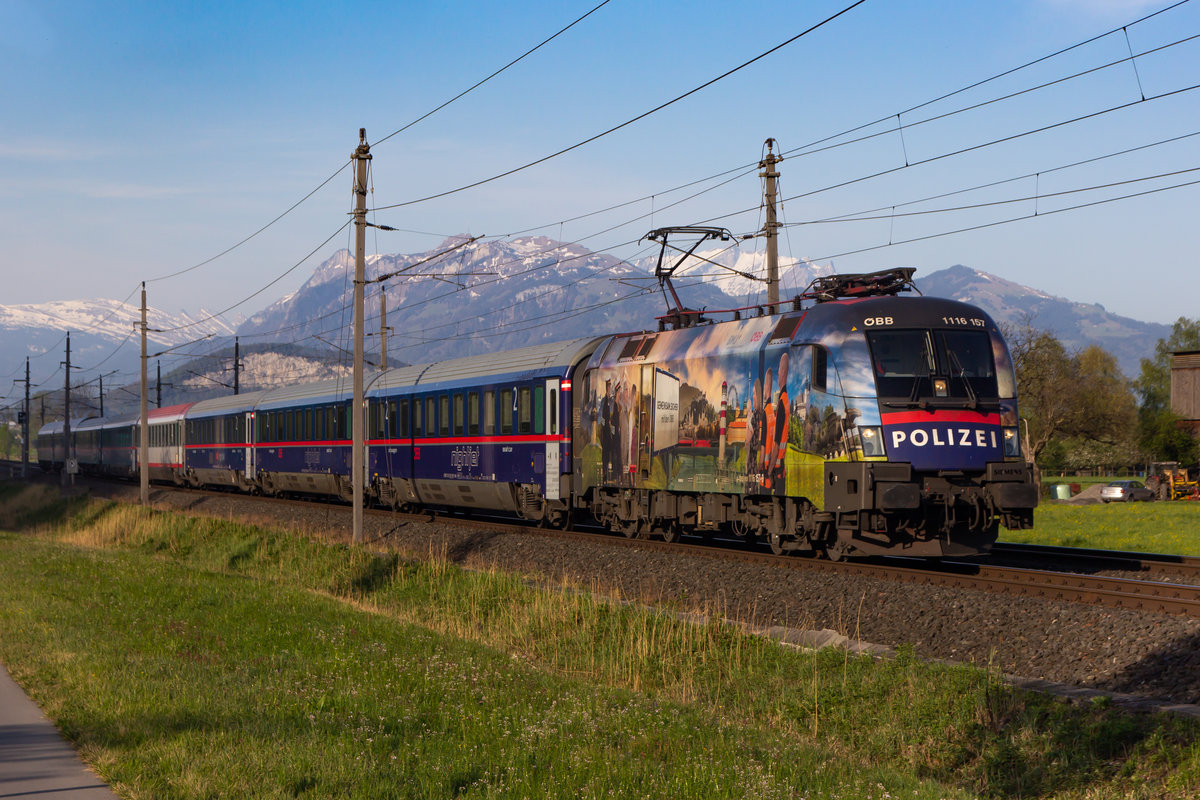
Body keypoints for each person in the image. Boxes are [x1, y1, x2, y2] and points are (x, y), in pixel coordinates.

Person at [771, 351, 790, 495]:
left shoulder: (782, 402)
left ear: (783, 372)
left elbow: (777, 444)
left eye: (779, 369)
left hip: (777, 468)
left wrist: (769, 470)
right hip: (781, 467)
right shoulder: (786, 399)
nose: (778, 373)